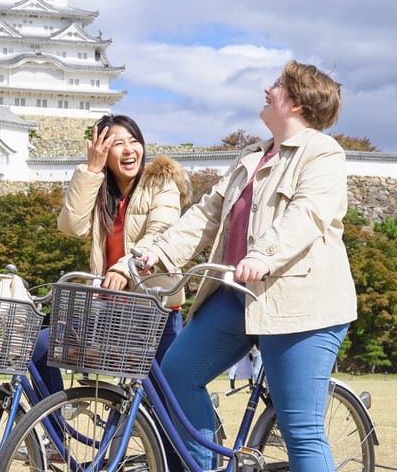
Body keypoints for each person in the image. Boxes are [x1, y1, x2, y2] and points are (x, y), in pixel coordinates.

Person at [139, 60, 357, 472]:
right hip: (237, 294)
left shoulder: (323, 153)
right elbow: (206, 213)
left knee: (301, 428)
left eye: (277, 85)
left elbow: (307, 215)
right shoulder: (251, 157)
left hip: (301, 304)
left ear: (296, 103)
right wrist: (159, 252)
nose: (267, 90)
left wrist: (262, 255)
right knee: (178, 375)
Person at [31, 114, 191, 394]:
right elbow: (71, 226)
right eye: (118, 144)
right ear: (103, 152)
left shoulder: (161, 183)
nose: (129, 150)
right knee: (41, 347)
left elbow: (161, 232)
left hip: (154, 311)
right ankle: (53, 430)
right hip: (110, 311)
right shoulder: (101, 193)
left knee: (161, 402)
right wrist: (91, 172)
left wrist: (123, 268)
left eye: (134, 141)